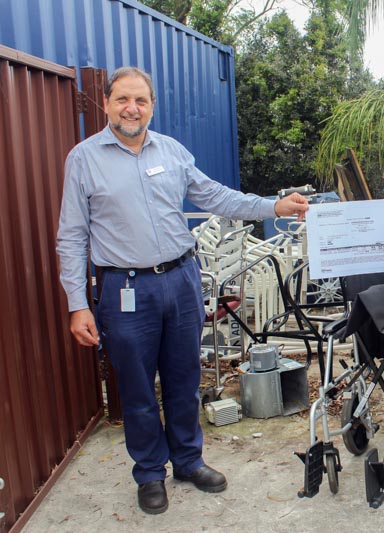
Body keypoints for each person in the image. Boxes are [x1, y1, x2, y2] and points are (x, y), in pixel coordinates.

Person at [56, 66, 309, 515]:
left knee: (184, 380)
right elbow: (71, 237)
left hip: (182, 280)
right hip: (124, 288)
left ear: (152, 106)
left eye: (141, 100)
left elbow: (217, 197)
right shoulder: (84, 158)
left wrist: (273, 205)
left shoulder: (171, 151)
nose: (131, 108)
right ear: (107, 102)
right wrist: (79, 304)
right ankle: (150, 473)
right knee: (136, 387)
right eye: (122, 100)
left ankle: (189, 461)